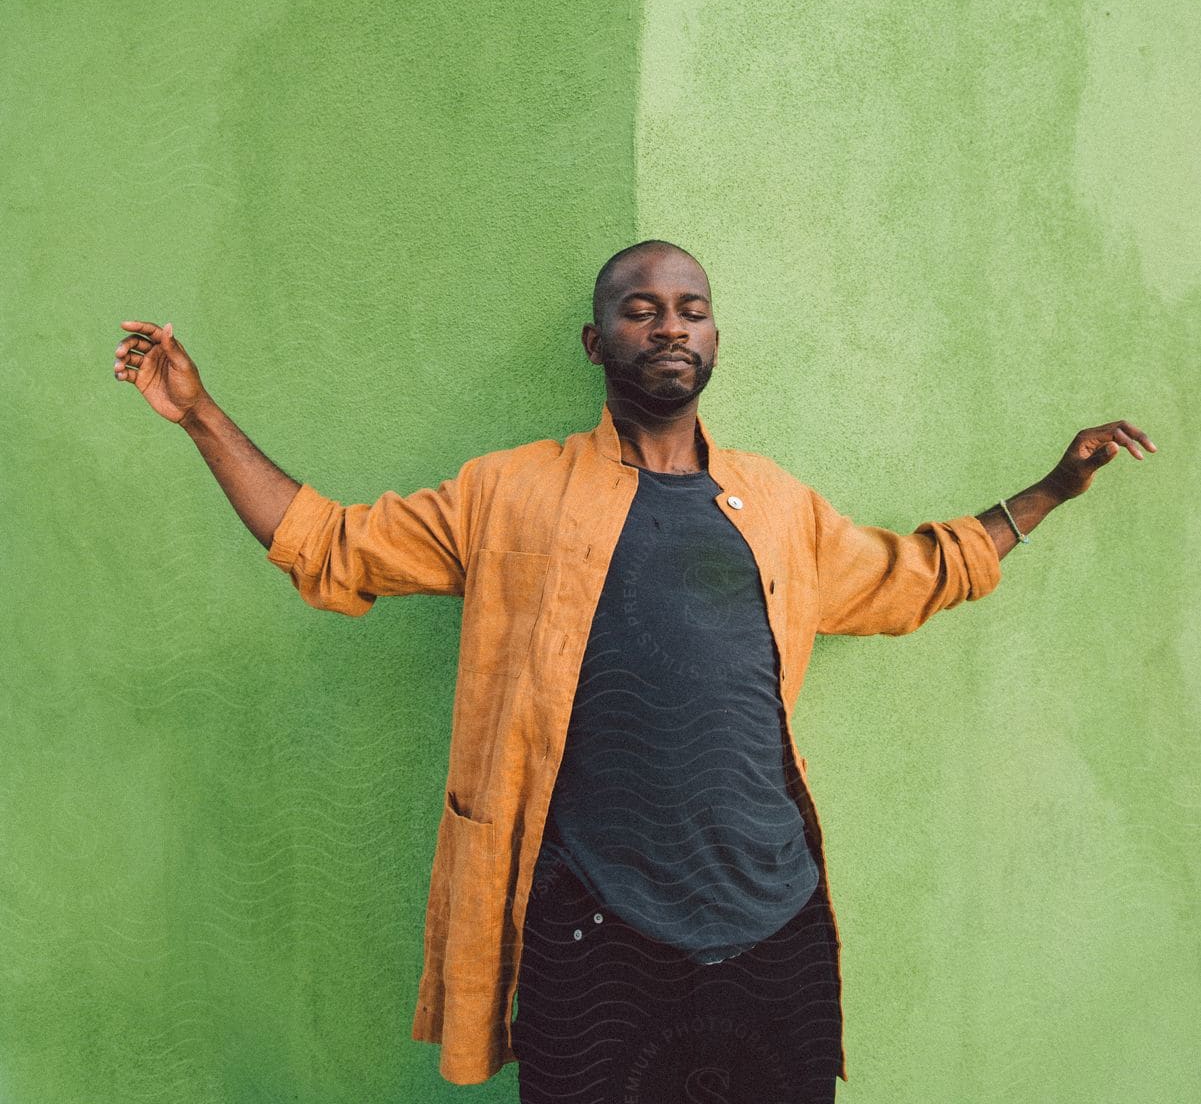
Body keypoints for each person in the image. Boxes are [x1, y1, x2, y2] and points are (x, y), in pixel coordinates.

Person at [113, 240, 1156, 1102]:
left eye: (691, 308)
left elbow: (912, 575)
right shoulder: (508, 492)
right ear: (596, 340)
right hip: (590, 922)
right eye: (641, 308)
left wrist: (1051, 489)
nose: (669, 326)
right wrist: (201, 414)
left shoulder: (775, 504)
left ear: (713, 337)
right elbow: (330, 543)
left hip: (774, 912)